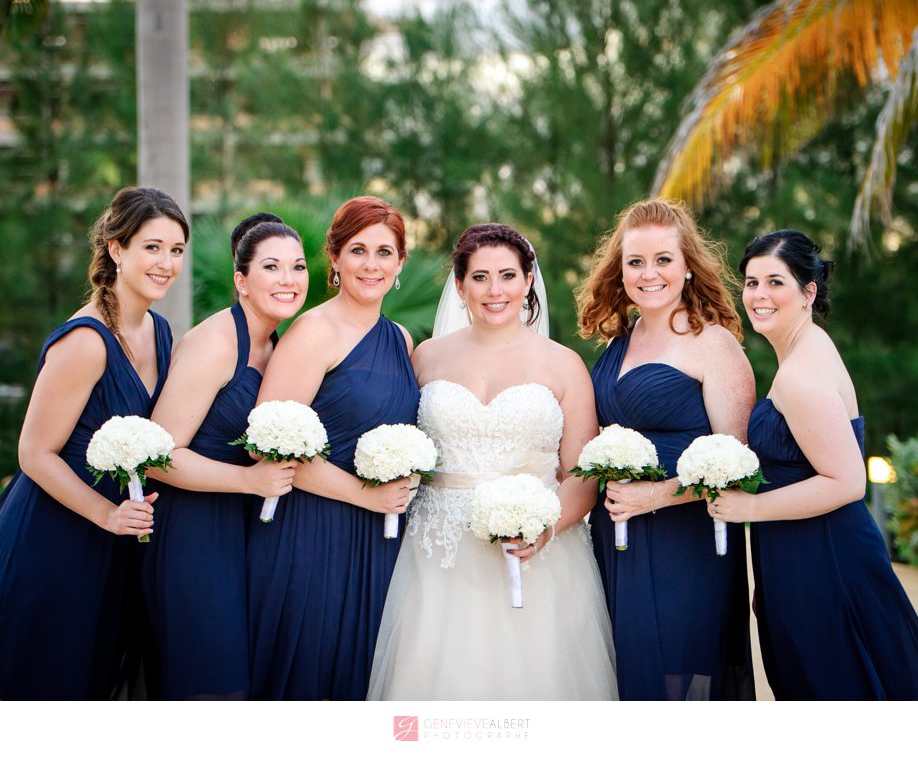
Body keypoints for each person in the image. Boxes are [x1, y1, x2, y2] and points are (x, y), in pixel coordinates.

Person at [0, 186, 189, 699]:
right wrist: (105, 515)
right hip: (55, 536)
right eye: (152, 247)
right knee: (45, 678)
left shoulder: (158, 331)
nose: (166, 263)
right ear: (117, 249)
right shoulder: (86, 342)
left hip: (116, 543)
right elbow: (33, 452)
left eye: (176, 250)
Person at [367, 223, 618, 700]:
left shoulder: (563, 364)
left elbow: (582, 476)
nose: (494, 289)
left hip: (539, 555)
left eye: (507, 275)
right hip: (438, 556)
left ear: (527, 281)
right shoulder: (426, 358)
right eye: (479, 277)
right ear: (459, 286)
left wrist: (543, 529)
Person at [708, 229, 918, 700]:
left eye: (775, 282)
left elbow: (846, 482)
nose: (759, 295)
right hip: (805, 556)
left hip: (824, 562)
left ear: (808, 292)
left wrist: (745, 509)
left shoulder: (801, 376)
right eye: (752, 282)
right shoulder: (807, 351)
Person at [576, 198, 755, 700]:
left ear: (688, 268)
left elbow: (740, 466)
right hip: (614, 541)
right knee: (624, 673)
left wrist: (655, 498)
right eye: (635, 262)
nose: (648, 273)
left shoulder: (714, 345)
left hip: (688, 543)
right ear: (621, 271)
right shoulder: (618, 345)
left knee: (682, 675)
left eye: (662, 260)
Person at [246, 196, 418, 700]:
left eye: (385, 252)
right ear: (336, 259)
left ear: (400, 263)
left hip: (382, 536)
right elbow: (268, 445)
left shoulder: (401, 338)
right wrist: (364, 495)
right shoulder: (313, 331)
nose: (372, 264)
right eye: (358, 250)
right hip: (313, 532)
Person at [140, 213, 308, 699]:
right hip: (194, 533)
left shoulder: (275, 343)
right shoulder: (215, 343)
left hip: (245, 534)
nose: (288, 279)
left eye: (297, 268)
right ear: (242, 281)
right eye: (272, 267)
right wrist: (251, 482)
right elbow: (158, 455)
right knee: (211, 680)